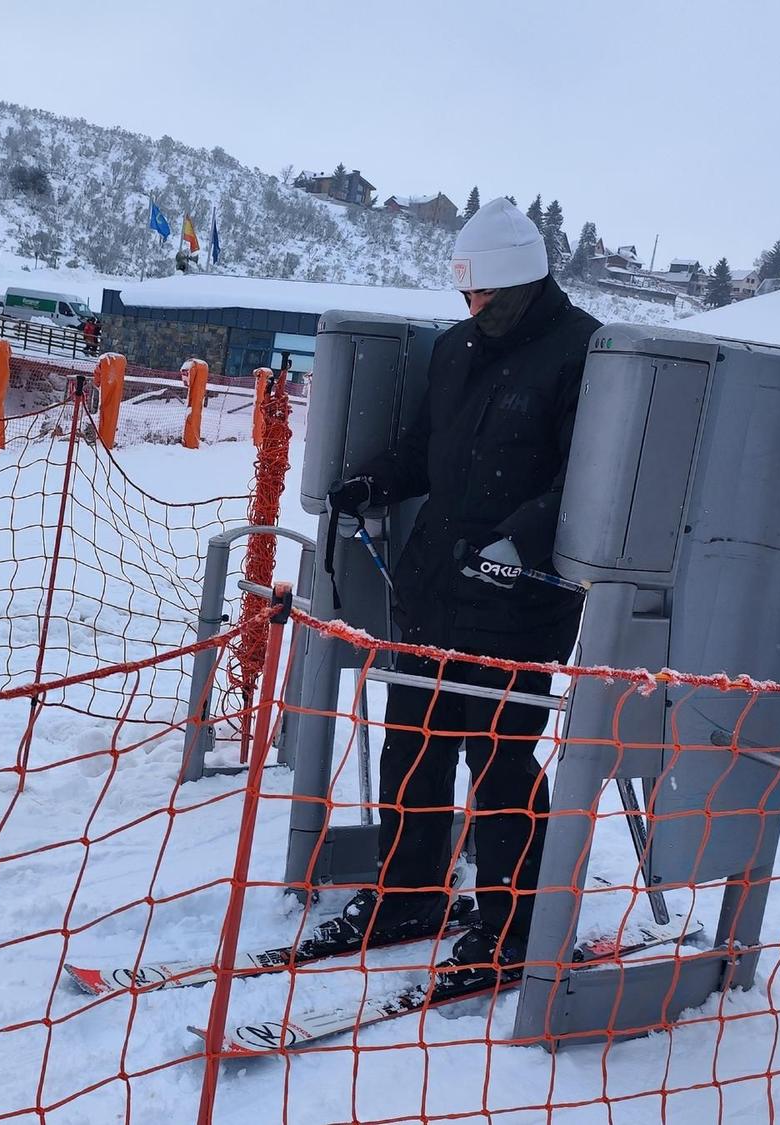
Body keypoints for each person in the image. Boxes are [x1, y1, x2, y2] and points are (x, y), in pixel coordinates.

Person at [318, 197, 599, 987]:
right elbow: (428, 452)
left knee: (501, 758)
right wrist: (379, 478)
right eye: (464, 295)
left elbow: (586, 478)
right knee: (411, 743)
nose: (468, 307)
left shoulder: (583, 353)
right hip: (436, 587)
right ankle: (408, 892)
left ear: (516, 287)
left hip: (518, 598)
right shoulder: (455, 350)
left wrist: (523, 536)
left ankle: (513, 919)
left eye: (480, 296)